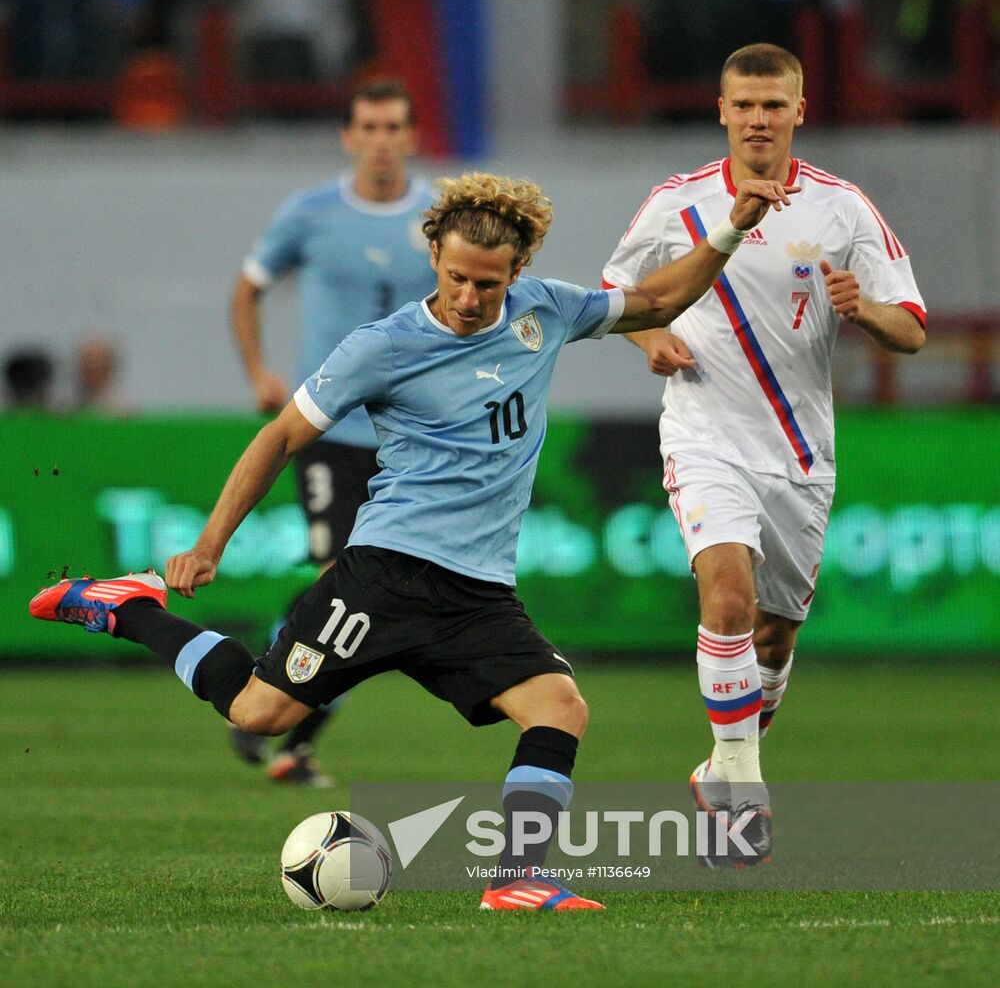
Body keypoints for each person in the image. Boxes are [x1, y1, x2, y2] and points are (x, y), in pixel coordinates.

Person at [30, 169, 795, 910]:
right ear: (434, 255)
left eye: (487, 283)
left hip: (480, 593)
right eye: (457, 276)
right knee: (257, 716)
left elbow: (661, 294)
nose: (468, 297)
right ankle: (128, 608)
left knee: (561, 708)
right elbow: (280, 437)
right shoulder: (385, 345)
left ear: (517, 271)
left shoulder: (547, 312)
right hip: (386, 576)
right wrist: (208, 544)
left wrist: (730, 226)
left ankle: (515, 880)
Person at [602, 42, 926, 867]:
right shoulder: (677, 202)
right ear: (721, 111)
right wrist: (653, 336)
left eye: (774, 105)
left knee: (774, 638)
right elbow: (619, 296)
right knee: (729, 602)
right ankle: (743, 785)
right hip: (706, 434)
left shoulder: (844, 209)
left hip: (801, 453)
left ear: (798, 112)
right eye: (744, 104)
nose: (758, 118)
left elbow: (913, 328)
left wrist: (866, 312)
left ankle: (721, 764)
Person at [228, 77, 436, 786]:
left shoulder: (441, 215)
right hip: (332, 426)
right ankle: (280, 721)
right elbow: (249, 286)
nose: (381, 141)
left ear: (411, 136)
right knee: (338, 582)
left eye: (393, 127)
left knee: (372, 598)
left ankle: (283, 721)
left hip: (415, 438)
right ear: (349, 138)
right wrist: (259, 370)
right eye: (369, 128)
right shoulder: (311, 213)